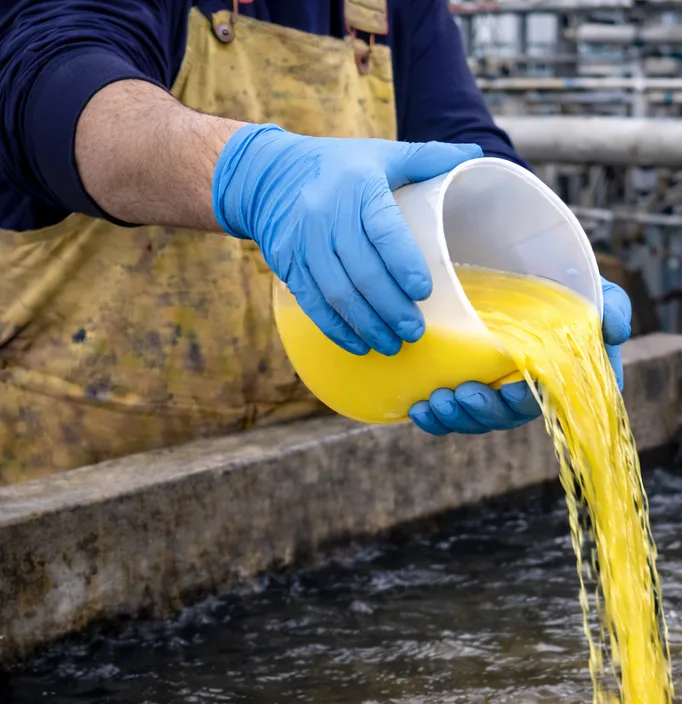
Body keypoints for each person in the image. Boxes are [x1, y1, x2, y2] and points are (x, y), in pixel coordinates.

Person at [0, 0, 632, 486]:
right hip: (74, 483)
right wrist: (251, 174)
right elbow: (52, 85)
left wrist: (544, 273)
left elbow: (463, 152)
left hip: (307, 482)